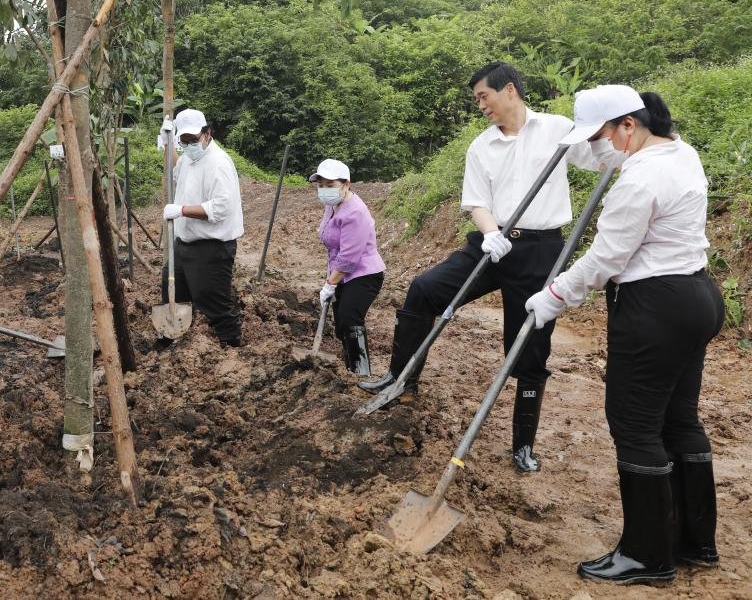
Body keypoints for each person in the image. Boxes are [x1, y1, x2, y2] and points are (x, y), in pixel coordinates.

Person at [358, 61, 609, 473]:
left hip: (540, 250)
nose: (480, 105)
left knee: (528, 344)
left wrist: (617, 153)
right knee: (424, 290)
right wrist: (491, 233)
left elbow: (598, 157)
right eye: (476, 99)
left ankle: (523, 445)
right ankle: (400, 378)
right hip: (491, 244)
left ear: (508, 90)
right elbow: (477, 201)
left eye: (483, 96)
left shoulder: (557, 129)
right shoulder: (481, 146)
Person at [526, 86, 721, 585]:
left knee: (634, 425)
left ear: (628, 126)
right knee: (679, 420)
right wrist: (581, 142)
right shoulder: (680, 153)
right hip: (696, 297)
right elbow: (609, 161)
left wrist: (553, 295)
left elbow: (605, 259)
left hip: (653, 307)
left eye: (601, 134)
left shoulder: (638, 181)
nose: (600, 145)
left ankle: (646, 555)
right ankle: (695, 541)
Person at [160, 108, 245, 347]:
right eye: (183, 141)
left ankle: (230, 346)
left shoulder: (218, 164)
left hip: (211, 247)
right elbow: (175, 171)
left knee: (213, 302)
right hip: (184, 243)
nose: (188, 145)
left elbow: (221, 208)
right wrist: (169, 145)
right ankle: (178, 339)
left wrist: (182, 210)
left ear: (207, 133)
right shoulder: (189, 156)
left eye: (193, 140)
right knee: (172, 290)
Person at [309, 159, 385, 375]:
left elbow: (349, 257)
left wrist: (331, 283)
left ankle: (361, 372)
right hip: (341, 274)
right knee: (342, 323)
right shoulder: (332, 205)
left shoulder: (355, 212)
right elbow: (333, 248)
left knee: (350, 318)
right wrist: (331, 280)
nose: (324, 190)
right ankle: (349, 369)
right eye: (321, 185)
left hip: (364, 275)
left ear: (346, 184)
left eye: (330, 185)